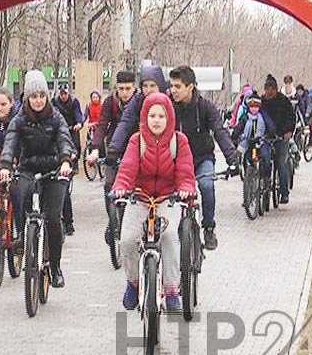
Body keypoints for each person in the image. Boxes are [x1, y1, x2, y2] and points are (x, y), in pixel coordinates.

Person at [111, 93, 196, 311]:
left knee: (169, 238)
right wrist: (121, 187)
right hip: (139, 197)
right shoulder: (136, 141)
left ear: (169, 118)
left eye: (161, 116)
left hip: (168, 198)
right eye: (152, 115)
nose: (156, 120)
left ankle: (171, 290)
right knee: (128, 240)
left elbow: (185, 172)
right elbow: (128, 169)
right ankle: (133, 282)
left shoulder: (180, 141)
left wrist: (186, 189)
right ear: (144, 118)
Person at [0, 70, 74, 288]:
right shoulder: (19, 119)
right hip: (28, 168)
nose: (38, 100)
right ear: (27, 98)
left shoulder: (56, 117)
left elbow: (64, 139)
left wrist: (66, 161)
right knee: (19, 193)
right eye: (34, 96)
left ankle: (56, 267)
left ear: (46, 96)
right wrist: (5, 165)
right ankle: (23, 235)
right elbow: (10, 143)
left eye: (42, 95)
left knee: (52, 218)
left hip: (54, 170)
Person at [168, 65, 238, 250]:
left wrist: (232, 158)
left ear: (190, 86)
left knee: (207, 186)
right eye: (171, 86)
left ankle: (208, 227)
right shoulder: (167, 106)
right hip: (176, 161)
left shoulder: (205, 107)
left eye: (178, 86)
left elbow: (219, 131)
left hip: (202, 158)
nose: (173, 90)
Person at [86, 70, 137, 242]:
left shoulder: (140, 101)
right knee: (109, 185)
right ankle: (113, 221)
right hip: (114, 148)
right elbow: (102, 126)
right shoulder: (109, 102)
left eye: (128, 89)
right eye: (121, 88)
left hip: (137, 148)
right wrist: (95, 149)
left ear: (134, 87)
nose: (124, 93)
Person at [52, 84, 83, 236]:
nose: (63, 96)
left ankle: (68, 223)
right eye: (61, 93)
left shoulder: (74, 102)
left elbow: (79, 114)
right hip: (54, 144)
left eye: (66, 93)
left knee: (63, 190)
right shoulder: (53, 103)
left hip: (70, 135)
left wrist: (79, 123)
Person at [261, 74, 295, 204]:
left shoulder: (283, 101)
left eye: (271, 90)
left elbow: (291, 117)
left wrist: (288, 132)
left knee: (281, 162)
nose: (269, 93)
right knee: (263, 159)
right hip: (266, 138)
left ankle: (284, 193)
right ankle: (262, 184)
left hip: (281, 136)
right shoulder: (262, 101)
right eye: (267, 90)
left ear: (275, 89)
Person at [236, 93, 272, 180]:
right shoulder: (245, 117)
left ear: (259, 107)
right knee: (246, 157)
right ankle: (248, 178)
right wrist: (235, 136)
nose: (254, 109)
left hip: (261, 142)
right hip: (249, 142)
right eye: (251, 107)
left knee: (266, 157)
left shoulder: (263, 117)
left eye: (256, 106)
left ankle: (266, 178)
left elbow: (270, 126)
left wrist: (270, 135)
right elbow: (238, 128)